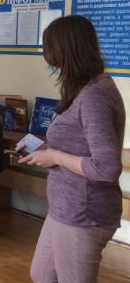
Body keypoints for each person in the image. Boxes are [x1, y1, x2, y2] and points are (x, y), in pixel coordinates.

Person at [22, 16, 124, 283]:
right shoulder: (83, 89)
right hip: (64, 207)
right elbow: (80, 143)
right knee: (42, 274)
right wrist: (46, 149)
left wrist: (55, 156)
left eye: (49, 50)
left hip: (84, 212)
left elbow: (106, 168)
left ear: (65, 51)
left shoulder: (94, 96)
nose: (48, 59)